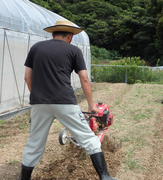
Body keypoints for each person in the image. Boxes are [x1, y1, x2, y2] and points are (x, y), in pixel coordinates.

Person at [18, 20, 117, 180]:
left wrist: (39, 97)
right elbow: (84, 79)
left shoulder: (36, 48)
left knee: (35, 141)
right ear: (70, 37)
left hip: (39, 103)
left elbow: (27, 77)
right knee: (87, 137)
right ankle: (105, 176)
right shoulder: (73, 50)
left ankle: (24, 178)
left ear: (52, 34)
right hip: (65, 101)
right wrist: (91, 106)